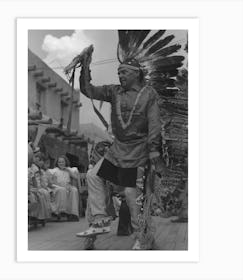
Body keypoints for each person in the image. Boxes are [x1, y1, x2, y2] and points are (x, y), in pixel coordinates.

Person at [76, 54, 164, 249]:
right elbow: (88, 90)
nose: (120, 76)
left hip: (138, 152)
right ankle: (99, 218)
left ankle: (142, 237)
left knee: (132, 196)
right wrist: (85, 67)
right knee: (92, 175)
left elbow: (155, 124)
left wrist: (154, 152)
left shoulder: (149, 94)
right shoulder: (113, 91)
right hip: (116, 150)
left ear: (136, 73)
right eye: (118, 72)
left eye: (123, 72)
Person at [51, 155, 79, 221]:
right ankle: (60, 212)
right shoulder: (55, 171)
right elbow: (52, 182)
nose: (61, 163)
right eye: (59, 162)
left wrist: (69, 170)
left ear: (65, 162)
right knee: (62, 190)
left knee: (74, 190)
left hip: (67, 187)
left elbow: (75, 177)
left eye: (63, 162)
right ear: (57, 163)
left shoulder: (68, 170)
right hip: (57, 187)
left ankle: (73, 213)